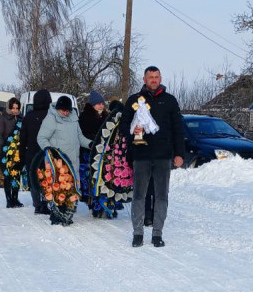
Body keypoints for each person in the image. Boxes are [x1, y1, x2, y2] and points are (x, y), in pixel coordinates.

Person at [120, 65, 184, 248]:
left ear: (160, 78)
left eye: (157, 77)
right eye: (150, 77)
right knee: (139, 195)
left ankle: (157, 233)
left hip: (163, 156)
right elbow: (123, 124)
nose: (154, 80)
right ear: (144, 79)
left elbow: (178, 129)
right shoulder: (134, 101)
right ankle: (137, 233)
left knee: (162, 196)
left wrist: (179, 153)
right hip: (141, 155)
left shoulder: (170, 101)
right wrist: (133, 131)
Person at [36, 95, 92, 225]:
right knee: (59, 189)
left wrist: (90, 144)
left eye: (67, 110)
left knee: (71, 189)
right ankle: (57, 215)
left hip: (73, 162)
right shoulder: (51, 119)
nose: (65, 113)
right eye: (63, 110)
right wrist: (49, 150)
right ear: (58, 108)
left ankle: (67, 215)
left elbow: (80, 137)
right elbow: (41, 137)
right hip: (58, 162)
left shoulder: (73, 119)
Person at [21, 88, 52, 213]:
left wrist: (21, 155)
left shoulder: (28, 116)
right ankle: (45, 202)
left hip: (31, 152)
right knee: (46, 177)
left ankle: (37, 204)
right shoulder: (51, 116)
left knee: (33, 177)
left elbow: (23, 137)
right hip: (46, 152)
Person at [78, 90, 107, 215]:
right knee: (91, 177)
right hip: (89, 152)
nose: (101, 106)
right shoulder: (85, 117)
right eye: (98, 103)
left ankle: (103, 203)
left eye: (102, 103)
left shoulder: (106, 116)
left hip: (103, 152)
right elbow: (82, 134)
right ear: (92, 105)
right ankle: (93, 202)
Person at [0, 97, 24, 208]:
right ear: (9, 108)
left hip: (18, 152)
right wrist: (5, 147)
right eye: (13, 108)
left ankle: (15, 198)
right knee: (7, 175)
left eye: (17, 108)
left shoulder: (21, 118)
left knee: (16, 174)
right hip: (6, 151)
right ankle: (9, 199)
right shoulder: (3, 118)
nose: (15, 110)